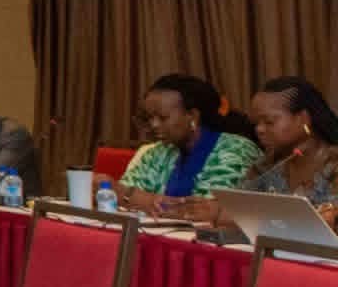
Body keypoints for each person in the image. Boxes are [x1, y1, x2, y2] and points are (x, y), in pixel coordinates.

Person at [173, 76, 338, 230]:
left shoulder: (333, 163)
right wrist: (210, 208)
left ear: (303, 118)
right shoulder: (267, 165)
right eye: (256, 123)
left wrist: (222, 215)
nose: (259, 130)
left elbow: (324, 223)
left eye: (269, 122)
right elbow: (238, 207)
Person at [115, 73, 264, 215]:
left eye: (162, 117)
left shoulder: (236, 150)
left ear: (192, 116)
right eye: (150, 118)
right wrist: (130, 196)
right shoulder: (158, 152)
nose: (154, 125)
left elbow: (202, 211)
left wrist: (138, 199)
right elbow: (117, 197)